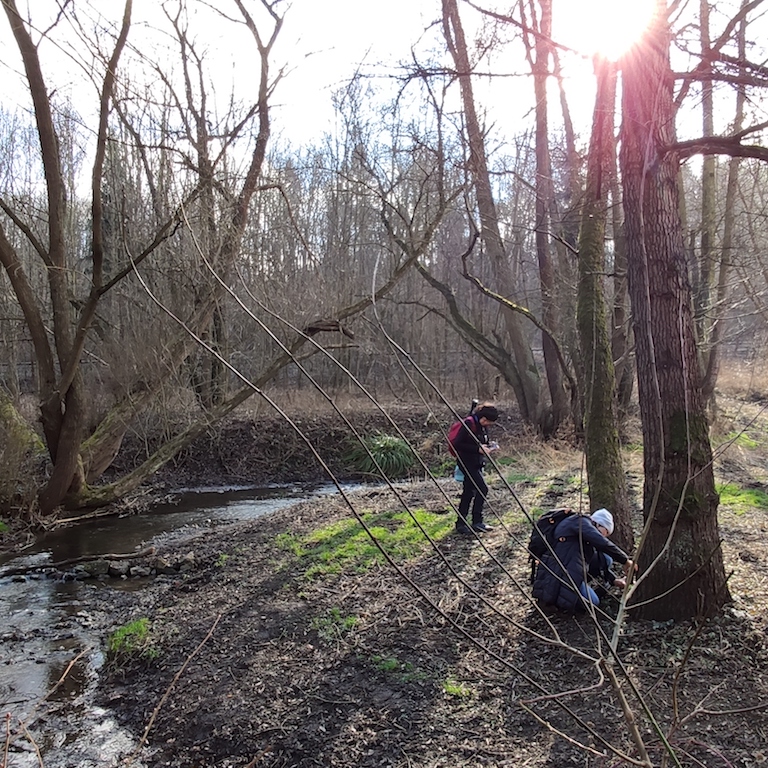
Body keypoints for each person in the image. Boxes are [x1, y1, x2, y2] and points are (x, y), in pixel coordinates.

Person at [532, 508, 634, 611]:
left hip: (571, 569)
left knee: (606, 558)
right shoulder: (580, 521)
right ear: (599, 524)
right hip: (559, 573)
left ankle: (577, 591)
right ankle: (559, 601)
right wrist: (625, 560)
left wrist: (613, 580)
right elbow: (601, 542)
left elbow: (599, 559)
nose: (604, 536)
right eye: (605, 532)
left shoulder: (582, 531)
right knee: (593, 602)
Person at [453, 403, 499, 534]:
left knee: (468, 492)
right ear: (483, 418)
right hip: (467, 462)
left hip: (476, 462)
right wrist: (477, 449)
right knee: (482, 489)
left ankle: (461, 524)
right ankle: (477, 522)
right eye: (488, 421)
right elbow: (457, 444)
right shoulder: (469, 423)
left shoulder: (481, 426)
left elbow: (481, 442)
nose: (488, 424)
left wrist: (489, 446)